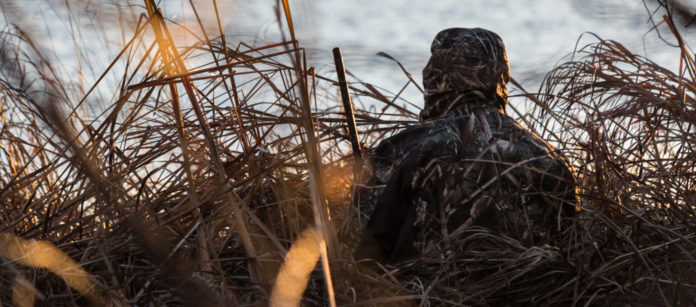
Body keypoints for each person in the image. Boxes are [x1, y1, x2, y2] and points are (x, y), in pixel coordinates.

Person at [355, 28, 577, 264]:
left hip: (416, 298)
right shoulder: (548, 158)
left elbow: (361, 252)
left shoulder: (402, 149)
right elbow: (568, 252)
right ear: (502, 76)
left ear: (434, 74)